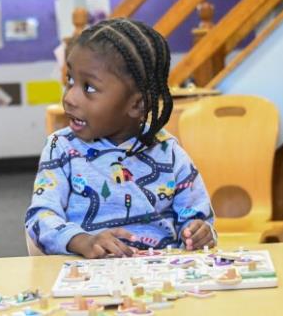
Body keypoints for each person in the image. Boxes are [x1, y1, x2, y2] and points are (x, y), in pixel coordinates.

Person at [25, 18, 215, 258]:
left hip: (161, 279)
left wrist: (199, 231)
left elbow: (197, 218)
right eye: (70, 81)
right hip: (88, 278)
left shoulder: (169, 152)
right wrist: (80, 240)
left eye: (89, 88)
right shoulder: (61, 148)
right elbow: (40, 218)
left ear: (136, 104)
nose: (70, 98)